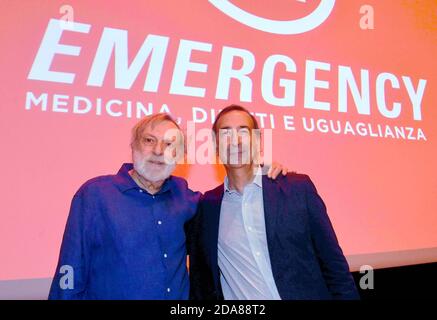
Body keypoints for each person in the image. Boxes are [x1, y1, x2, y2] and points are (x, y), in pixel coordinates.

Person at [49, 112, 286, 299]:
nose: (159, 151)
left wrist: (260, 172)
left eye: (170, 144)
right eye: (149, 140)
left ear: (181, 156)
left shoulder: (188, 199)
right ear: (133, 146)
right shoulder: (95, 194)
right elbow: (69, 272)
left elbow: (233, 201)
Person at [188, 105, 360, 300]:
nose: (234, 141)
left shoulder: (297, 189)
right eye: (225, 133)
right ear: (215, 144)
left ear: (259, 140)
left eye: (243, 132)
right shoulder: (207, 207)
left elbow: (334, 267)